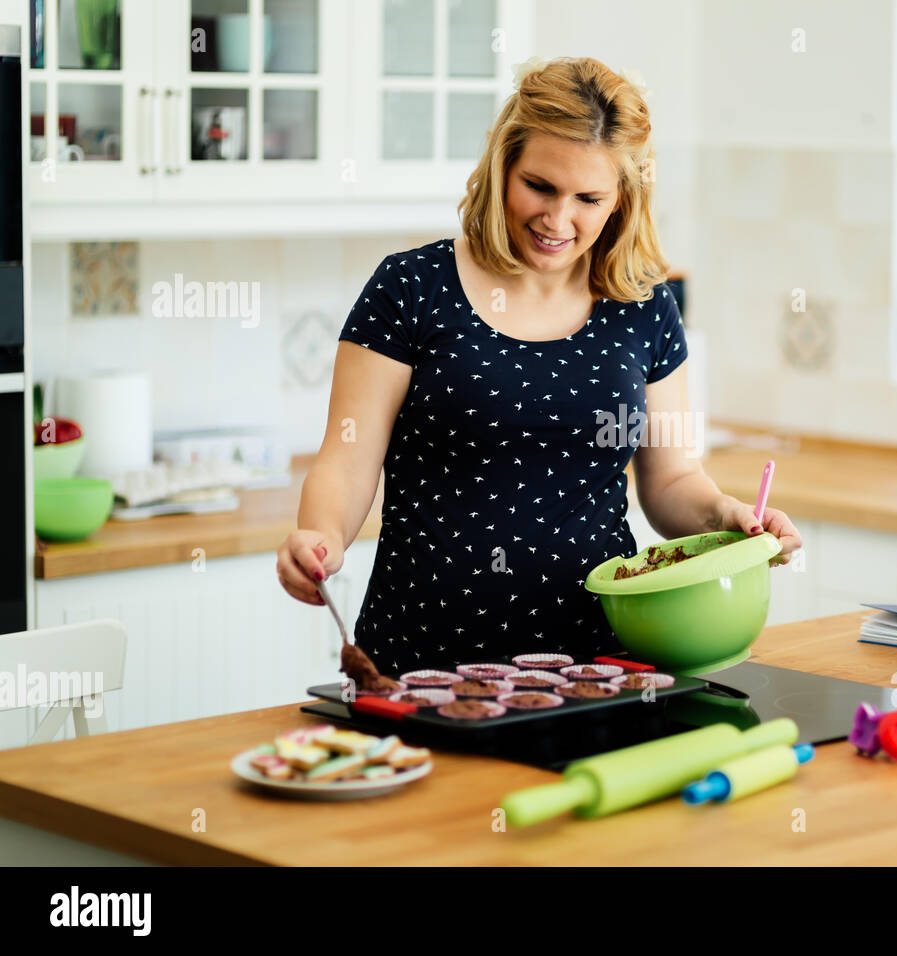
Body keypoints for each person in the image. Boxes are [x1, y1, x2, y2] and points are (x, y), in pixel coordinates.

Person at [276, 56, 802, 674]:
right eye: (540, 187)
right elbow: (344, 462)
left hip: (600, 663)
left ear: (622, 199)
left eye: (588, 198)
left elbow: (671, 481)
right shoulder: (410, 288)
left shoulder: (645, 304)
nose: (558, 220)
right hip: (422, 663)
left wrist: (727, 517)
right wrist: (320, 535)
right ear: (503, 167)